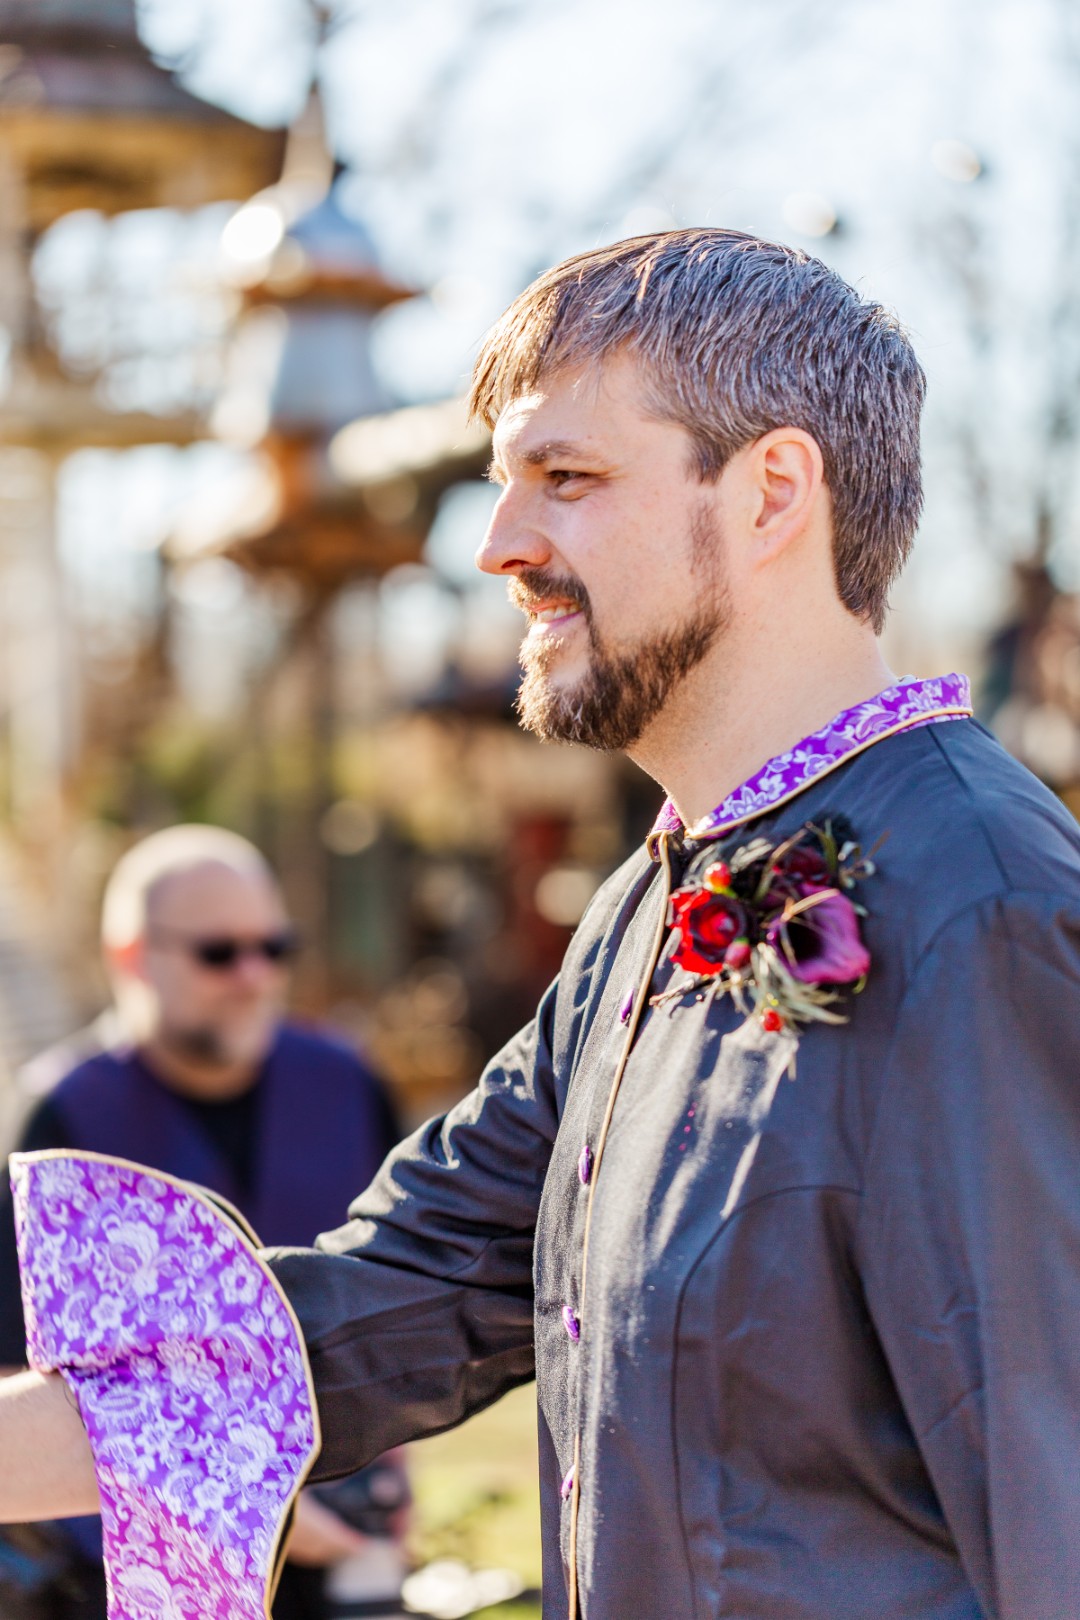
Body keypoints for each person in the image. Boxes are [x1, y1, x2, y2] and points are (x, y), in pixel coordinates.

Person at [3, 227, 1080, 1620]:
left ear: (770, 494)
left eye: (565, 478)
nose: (502, 544)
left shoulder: (983, 908)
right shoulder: (644, 911)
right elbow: (391, 1300)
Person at [0, 825, 408, 1620]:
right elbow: (20, 1377)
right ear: (130, 957)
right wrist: (251, 1508)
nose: (254, 976)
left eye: (274, 946)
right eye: (219, 953)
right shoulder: (60, 1120)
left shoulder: (349, 1086)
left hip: (348, 1557)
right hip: (126, 1573)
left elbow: (409, 1288)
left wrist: (392, 1471)